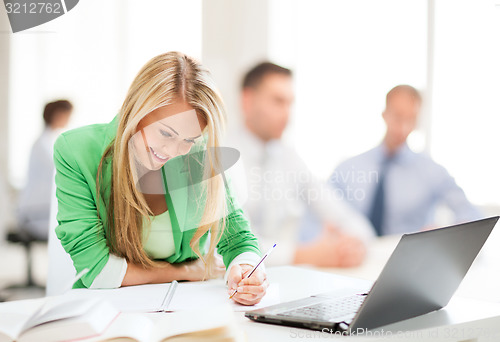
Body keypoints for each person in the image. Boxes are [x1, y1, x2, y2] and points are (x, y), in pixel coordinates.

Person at [54, 52, 267, 306]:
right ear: (138, 109)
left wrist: (247, 270)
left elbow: (238, 238)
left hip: (184, 308)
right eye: (166, 132)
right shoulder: (75, 151)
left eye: (188, 140)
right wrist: (185, 272)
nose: (172, 151)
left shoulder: (199, 154)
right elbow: (96, 271)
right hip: (107, 310)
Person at [227, 62, 375, 267]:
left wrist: (355, 244)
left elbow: (344, 216)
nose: (287, 113)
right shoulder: (222, 157)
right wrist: (304, 256)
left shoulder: (290, 158)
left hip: (289, 281)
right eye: (278, 101)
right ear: (247, 101)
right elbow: (227, 246)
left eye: (290, 103)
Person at [330, 85, 482, 236]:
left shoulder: (431, 171)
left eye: (411, 119)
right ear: (385, 114)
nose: (403, 128)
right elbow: (321, 216)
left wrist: (445, 234)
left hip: (410, 257)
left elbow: (472, 216)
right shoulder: (348, 169)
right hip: (355, 256)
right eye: (398, 117)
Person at [17, 100, 73, 240]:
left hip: (41, 209)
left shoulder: (49, 141)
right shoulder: (42, 145)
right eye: (67, 115)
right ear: (57, 115)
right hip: (36, 212)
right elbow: (61, 174)